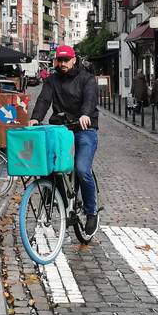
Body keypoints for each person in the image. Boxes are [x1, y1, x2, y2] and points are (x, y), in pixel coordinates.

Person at [29, 44, 100, 234]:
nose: (62, 64)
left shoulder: (87, 79)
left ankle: (91, 211)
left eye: (65, 60)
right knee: (53, 168)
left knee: (82, 169)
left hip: (85, 128)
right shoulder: (52, 80)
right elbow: (44, 99)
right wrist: (36, 118)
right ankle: (62, 198)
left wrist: (85, 114)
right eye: (59, 60)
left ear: (73, 60)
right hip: (61, 129)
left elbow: (90, 99)